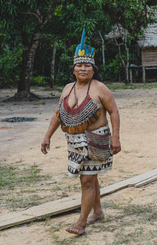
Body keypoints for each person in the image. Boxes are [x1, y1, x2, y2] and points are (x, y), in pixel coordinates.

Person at [41, 28, 121, 236]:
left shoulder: (100, 88)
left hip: (97, 140)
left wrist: (116, 138)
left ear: (93, 70)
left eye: (87, 65)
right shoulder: (67, 88)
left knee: (86, 180)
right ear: (73, 69)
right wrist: (47, 135)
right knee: (89, 178)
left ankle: (82, 223)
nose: (83, 68)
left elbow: (114, 112)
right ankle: (98, 211)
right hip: (74, 142)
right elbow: (59, 114)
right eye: (79, 65)